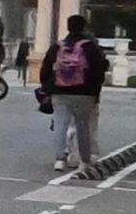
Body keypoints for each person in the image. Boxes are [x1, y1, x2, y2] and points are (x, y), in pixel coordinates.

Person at [40, 11, 109, 179]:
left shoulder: (57, 47)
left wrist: (48, 89)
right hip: (85, 93)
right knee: (83, 126)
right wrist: (95, 92)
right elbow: (99, 71)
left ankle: (59, 159)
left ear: (68, 27)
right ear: (84, 27)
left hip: (60, 92)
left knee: (60, 125)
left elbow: (45, 70)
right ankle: (84, 160)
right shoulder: (91, 47)